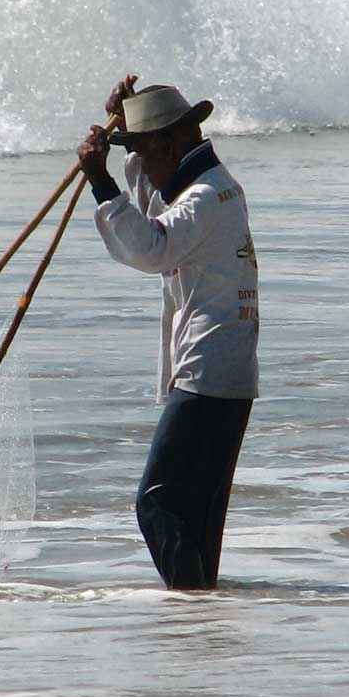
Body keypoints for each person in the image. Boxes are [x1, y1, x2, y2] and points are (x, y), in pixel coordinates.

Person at [77, 75, 260, 590]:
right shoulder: (204, 186)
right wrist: (123, 123)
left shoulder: (206, 198)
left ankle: (188, 611)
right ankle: (202, 626)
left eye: (142, 149)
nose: (139, 162)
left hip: (208, 372)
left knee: (154, 504)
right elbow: (155, 204)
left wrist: (101, 182)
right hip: (224, 373)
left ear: (171, 143)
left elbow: (153, 247)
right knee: (197, 522)